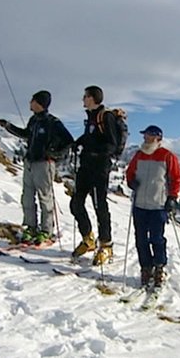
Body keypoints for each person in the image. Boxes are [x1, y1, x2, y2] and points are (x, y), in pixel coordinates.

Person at [0, 90, 73, 245]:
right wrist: (7, 126)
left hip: (44, 164)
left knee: (45, 197)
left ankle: (46, 231)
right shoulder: (34, 120)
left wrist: (53, 153)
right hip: (30, 162)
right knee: (27, 197)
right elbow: (26, 134)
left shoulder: (53, 122)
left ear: (39, 103)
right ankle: (30, 227)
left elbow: (68, 141)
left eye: (32, 100)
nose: (30, 102)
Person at [125, 125, 180, 288]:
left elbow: (176, 178)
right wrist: (131, 182)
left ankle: (159, 267)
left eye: (148, 136)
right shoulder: (139, 155)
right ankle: (146, 268)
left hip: (158, 205)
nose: (145, 138)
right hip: (140, 204)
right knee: (141, 239)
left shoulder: (167, 156)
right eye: (145, 135)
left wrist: (172, 197)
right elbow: (130, 172)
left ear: (158, 138)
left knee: (157, 238)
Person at [70, 85, 120, 264]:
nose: (83, 99)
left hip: (99, 168)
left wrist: (95, 152)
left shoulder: (105, 116)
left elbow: (112, 144)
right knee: (76, 203)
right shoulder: (91, 118)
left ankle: (106, 245)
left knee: (100, 206)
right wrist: (79, 143)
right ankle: (88, 239)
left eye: (85, 96)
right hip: (86, 167)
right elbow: (91, 137)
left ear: (92, 98)